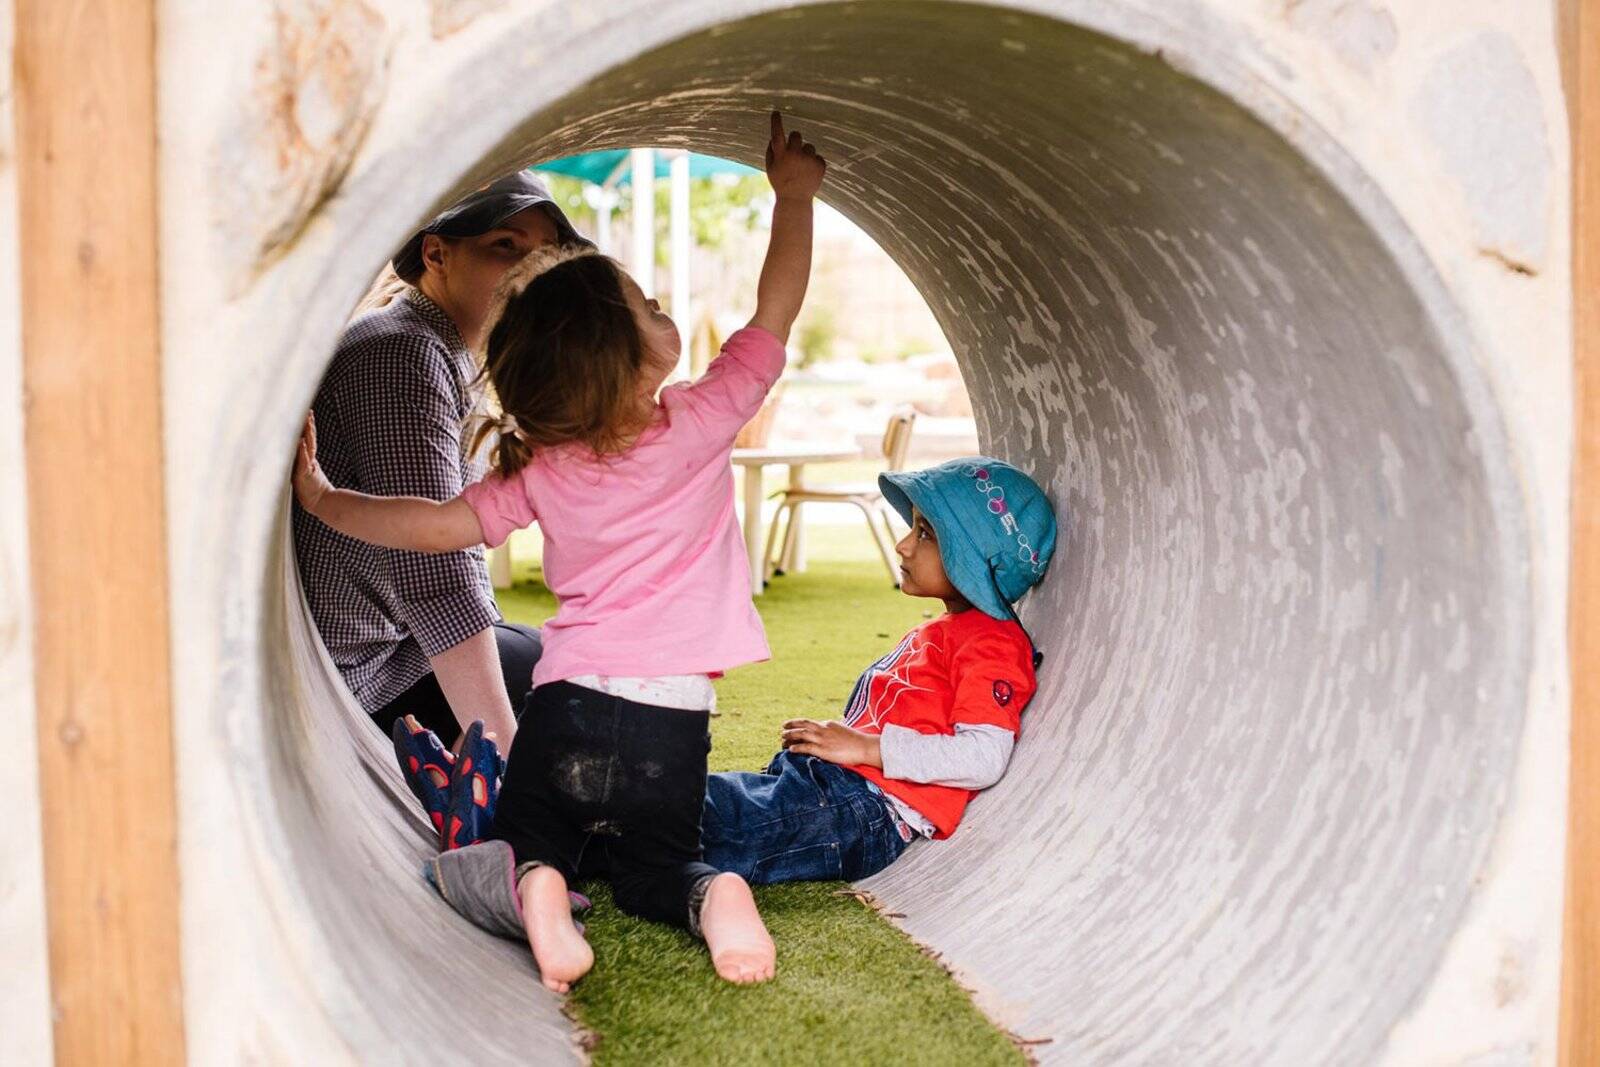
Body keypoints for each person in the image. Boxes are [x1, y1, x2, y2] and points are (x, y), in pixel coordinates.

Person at [292, 112, 827, 990]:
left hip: (570, 703)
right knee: (664, 864)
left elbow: (428, 527)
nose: (660, 307)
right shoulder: (703, 417)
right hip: (673, 712)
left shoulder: (540, 469)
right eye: (647, 306)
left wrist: (320, 498)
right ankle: (715, 895)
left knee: (536, 840)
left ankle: (541, 889)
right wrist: (794, 198)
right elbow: (778, 302)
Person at [292, 171, 588, 748]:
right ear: (437, 254)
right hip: (362, 680)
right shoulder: (401, 355)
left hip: (393, 648)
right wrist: (502, 752)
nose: (531, 272)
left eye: (545, 255)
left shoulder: (446, 350)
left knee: (565, 655)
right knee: (578, 688)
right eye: (506, 246)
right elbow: (439, 577)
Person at [700, 457, 1057, 883]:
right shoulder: (952, 630)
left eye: (925, 534)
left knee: (685, 824)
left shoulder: (992, 642)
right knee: (683, 801)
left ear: (976, 560)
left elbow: (983, 756)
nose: (903, 545)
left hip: (863, 809)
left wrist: (866, 748)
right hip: (830, 789)